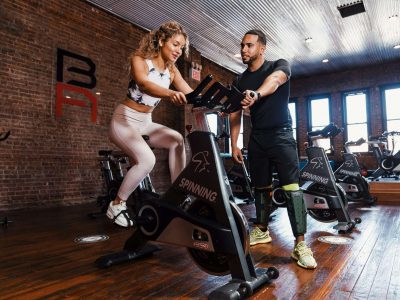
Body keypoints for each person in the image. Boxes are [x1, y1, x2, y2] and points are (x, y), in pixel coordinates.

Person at [229, 29, 317, 269]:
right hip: (257, 138)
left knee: (292, 188)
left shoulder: (279, 65)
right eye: (242, 46)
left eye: (249, 45)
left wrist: (256, 94)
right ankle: (261, 229)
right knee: (261, 187)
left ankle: (300, 245)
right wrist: (234, 142)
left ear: (262, 48)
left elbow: (275, 81)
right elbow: (234, 114)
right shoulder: (238, 80)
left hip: (281, 135)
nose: (243, 50)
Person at [107, 21, 193, 227]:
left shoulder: (172, 71)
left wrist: (217, 103)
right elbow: (145, 84)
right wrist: (171, 93)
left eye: (181, 47)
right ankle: (117, 204)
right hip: (124, 120)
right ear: (162, 41)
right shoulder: (141, 60)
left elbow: (190, 93)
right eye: (175, 44)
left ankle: (177, 195)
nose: (178, 51)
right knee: (147, 160)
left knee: (177, 140)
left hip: (145, 122)